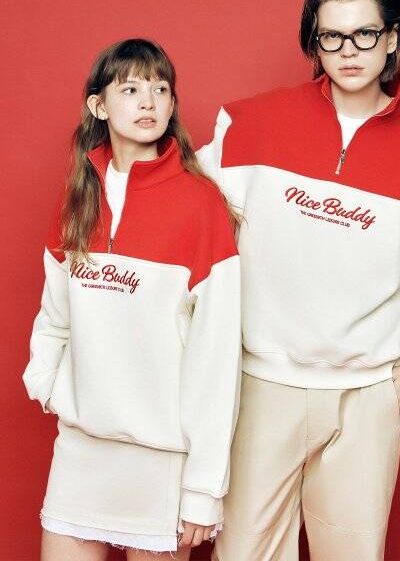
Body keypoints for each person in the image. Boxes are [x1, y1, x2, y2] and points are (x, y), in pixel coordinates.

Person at [197, 0, 400, 560]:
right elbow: (190, 214)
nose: (348, 51)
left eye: (364, 34)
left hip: (367, 394)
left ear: (392, 39)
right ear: (314, 42)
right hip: (261, 382)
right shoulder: (251, 123)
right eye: (332, 36)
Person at [22, 38, 241, 561]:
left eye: (161, 89)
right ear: (99, 106)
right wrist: (47, 384)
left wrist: (204, 489)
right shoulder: (78, 199)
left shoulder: (201, 204)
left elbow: (216, 358)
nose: (148, 102)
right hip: (81, 450)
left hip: (161, 463)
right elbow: (55, 316)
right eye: (130, 89)